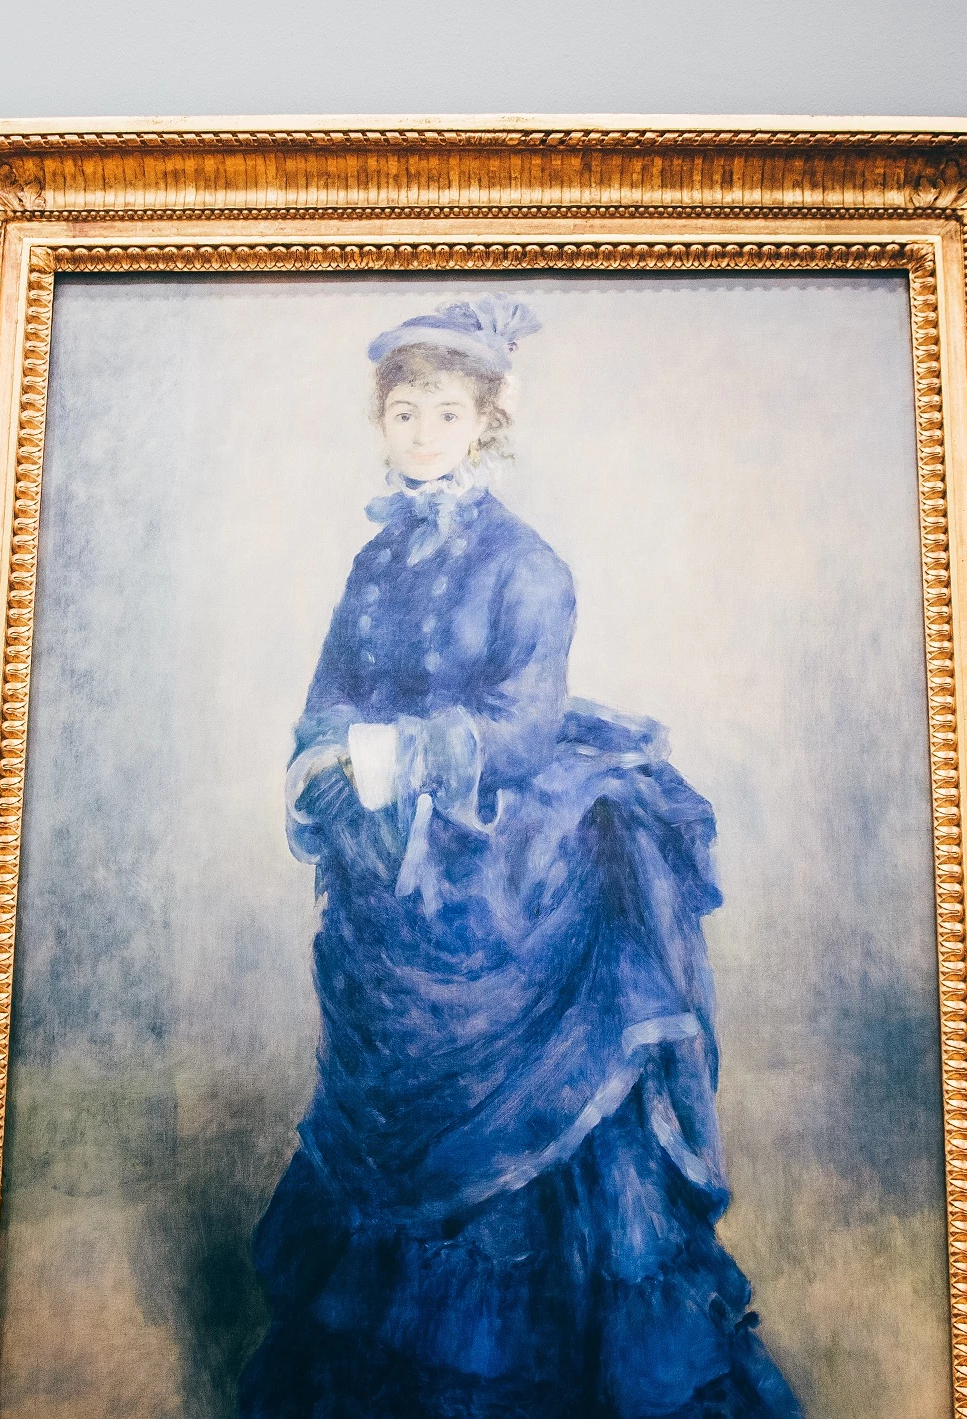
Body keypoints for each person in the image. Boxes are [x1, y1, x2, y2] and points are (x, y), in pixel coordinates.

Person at [238, 297, 800, 1419]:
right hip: (388, 875)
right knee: (385, 1129)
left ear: (486, 422)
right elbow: (328, 695)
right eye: (404, 413)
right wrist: (324, 758)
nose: (423, 433)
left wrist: (396, 755)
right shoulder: (372, 564)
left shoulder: (526, 565)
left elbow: (523, 723)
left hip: (503, 869)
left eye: (445, 413)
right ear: (381, 421)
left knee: (535, 1133)